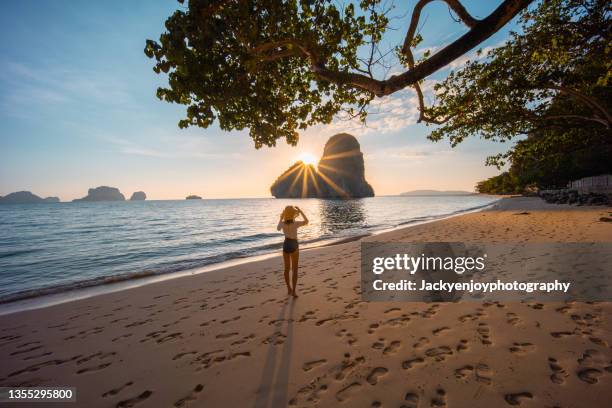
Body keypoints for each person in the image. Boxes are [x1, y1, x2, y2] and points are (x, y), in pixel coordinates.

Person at [277, 205, 308, 297]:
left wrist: (281, 218)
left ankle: (289, 289)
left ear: (285, 214)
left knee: (287, 269)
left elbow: (278, 228)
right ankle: (294, 291)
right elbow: (307, 221)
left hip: (286, 244)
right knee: (295, 269)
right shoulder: (295, 223)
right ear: (293, 214)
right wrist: (301, 211)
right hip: (294, 244)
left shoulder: (282, 223)